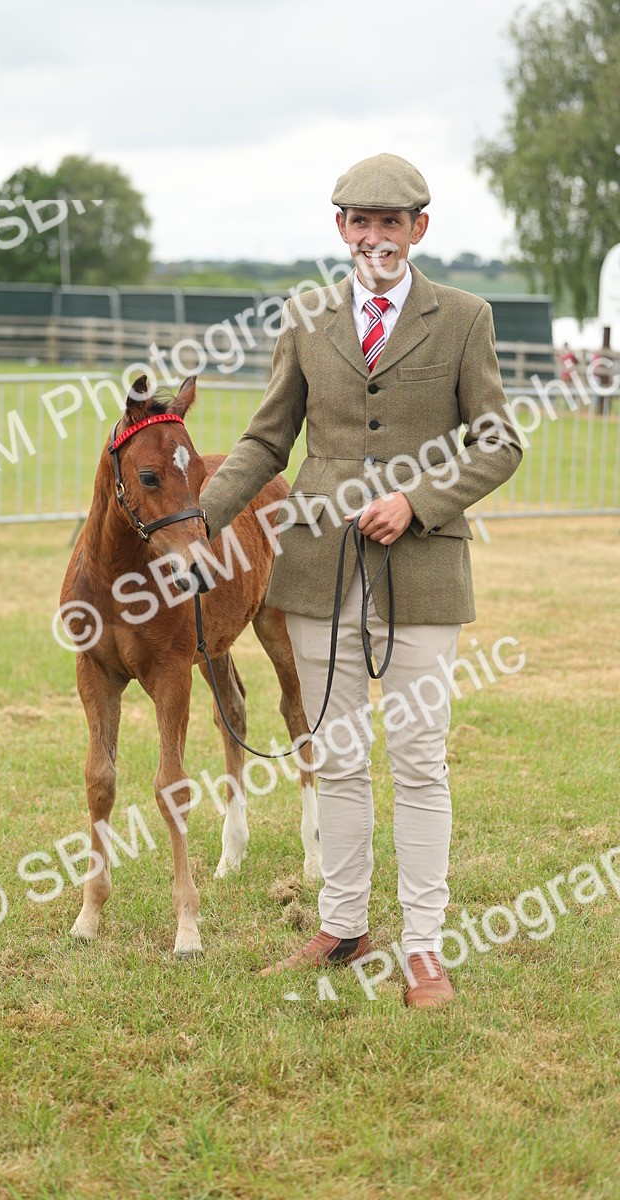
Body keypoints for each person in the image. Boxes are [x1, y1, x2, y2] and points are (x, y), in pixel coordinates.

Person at [199, 153, 523, 1008]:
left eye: (393, 221)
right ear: (340, 227)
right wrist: (203, 512)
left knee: (418, 762)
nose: (375, 235)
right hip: (315, 570)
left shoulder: (464, 318)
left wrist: (416, 500)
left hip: (422, 573)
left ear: (420, 227)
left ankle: (424, 949)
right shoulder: (306, 319)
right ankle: (342, 927)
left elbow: (499, 441)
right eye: (360, 220)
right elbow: (269, 441)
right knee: (334, 755)